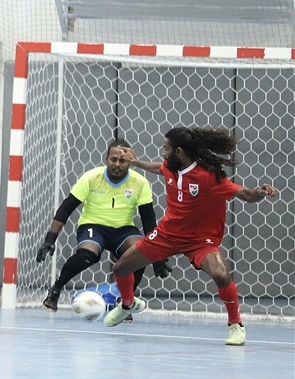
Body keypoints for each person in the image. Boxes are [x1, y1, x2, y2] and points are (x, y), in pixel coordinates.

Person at [103, 127, 278, 347]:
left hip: (200, 240)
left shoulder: (209, 177)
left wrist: (259, 193)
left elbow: (246, 195)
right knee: (120, 268)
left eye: (166, 148)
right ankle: (128, 304)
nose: (163, 152)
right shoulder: (170, 166)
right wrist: (136, 162)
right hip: (167, 235)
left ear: (178, 151)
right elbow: (159, 168)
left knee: (221, 274)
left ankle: (236, 325)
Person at [36, 139, 171, 320]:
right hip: (93, 225)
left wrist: (155, 254)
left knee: (140, 253)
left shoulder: (140, 183)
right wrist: (50, 239)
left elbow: (149, 220)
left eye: (122, 160)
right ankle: (56, 289)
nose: (117, 164)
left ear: (130, 162)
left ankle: (125, 303)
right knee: (87, 255)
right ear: (106, 159)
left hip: (123, 230)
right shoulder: (91, 177)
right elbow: (66, 208)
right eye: (113, 159)